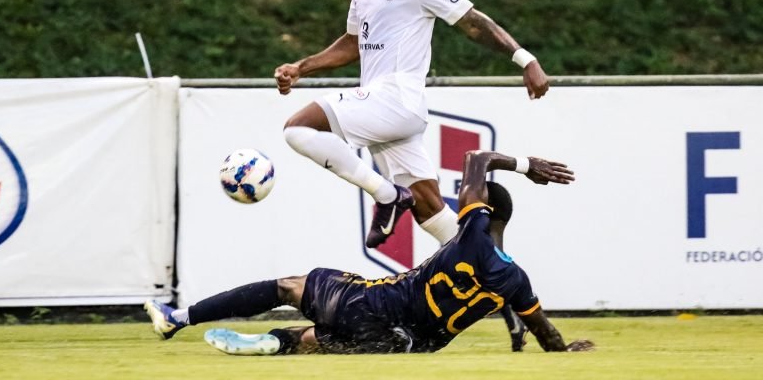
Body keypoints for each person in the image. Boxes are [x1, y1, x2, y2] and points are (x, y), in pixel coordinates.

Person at [273, 0, 551, 250]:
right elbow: (353, 43)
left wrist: (525, 59)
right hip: (380, 106)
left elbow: (474, 23)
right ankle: (497, 280)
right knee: (430, 210)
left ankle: (387, 197)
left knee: (297, 129)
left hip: (396, 99)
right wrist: (302, 67)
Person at [144, 150, 594, 355]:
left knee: (288, 286)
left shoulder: (470, 235)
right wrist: (565, 348)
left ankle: (178, 319)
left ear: (483, 210)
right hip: (410, 346)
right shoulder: (516, 281)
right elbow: (546, 334)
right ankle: (283, 342)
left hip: (373, 305)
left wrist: (523, 165)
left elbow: (476, 159)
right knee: (316, 341)